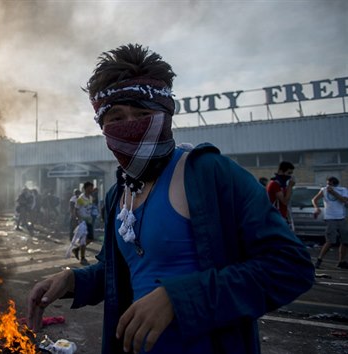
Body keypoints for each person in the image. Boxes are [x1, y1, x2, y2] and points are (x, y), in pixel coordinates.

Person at [27, 43, 314, 354]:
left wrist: (178, 298)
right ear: (102, 127)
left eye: (142, 113)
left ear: (166, 116)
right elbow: (122, 271)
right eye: (116, 117)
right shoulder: (118, 194)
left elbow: (291, 266)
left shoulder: (209, 174)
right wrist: (71, 281)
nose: (130, 125)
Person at [312, 176, 348, 269]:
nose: (328, 186)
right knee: (330, 241)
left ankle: (342, 261)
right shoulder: (323, 190)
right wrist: (316, 208)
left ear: (334, 183)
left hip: (341, 217)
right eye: (327, 183)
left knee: (345, 241)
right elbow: (314, 199)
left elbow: (344, 201)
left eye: (329, 183)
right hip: (330, 218)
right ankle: (319, 260)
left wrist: (333, 192)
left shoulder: (343, 190)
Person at [70, 181, 95, 265]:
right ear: (86, 188)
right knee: (83, 240)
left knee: (91, 238)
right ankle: (83, 258)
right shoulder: (80, 199)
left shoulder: (90, 198)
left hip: (89, 221)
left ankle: (77, 249)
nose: (92, 189)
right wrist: (78, 220)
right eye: (90, 188)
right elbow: (76, 210)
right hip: (82, 222)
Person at [266, 161, 296, 226]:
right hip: (275, 218)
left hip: (281, 217)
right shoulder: (275, 184)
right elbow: (285, 201)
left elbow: (285, 205)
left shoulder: (282, 185)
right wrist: (290, 186)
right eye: (289, 173)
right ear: (281, 171)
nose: (290, 176)